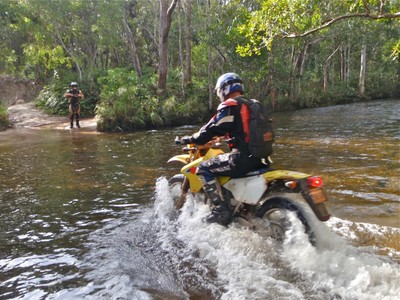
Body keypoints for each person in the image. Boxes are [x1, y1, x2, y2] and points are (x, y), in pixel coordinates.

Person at [182, 73, 270, 226]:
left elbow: (213, 128)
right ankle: (242, 206)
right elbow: (243, 129)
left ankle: (220, 210)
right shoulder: (254, 104)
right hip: (263, 159)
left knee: (203, 168)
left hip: (242, 159)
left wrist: (193, 139)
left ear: (224, 89)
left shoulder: (231, 105)